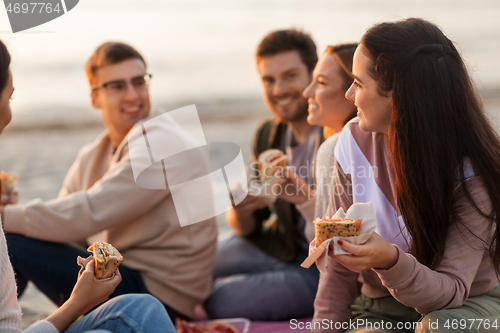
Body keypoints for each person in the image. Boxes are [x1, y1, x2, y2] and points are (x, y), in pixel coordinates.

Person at [0, 41, 218, 321]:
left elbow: (88, 212)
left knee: (12, 241)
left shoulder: (162, 140)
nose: (133, 95)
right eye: (117, 86)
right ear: (94, 98)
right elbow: (66, 222)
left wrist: (6, 217)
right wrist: (13, 215)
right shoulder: (95, 153)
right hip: (116, 275)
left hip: (157, 294)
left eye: (139, 82)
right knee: (18, 238)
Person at [312, 18, 500, 333]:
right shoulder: (351, 145)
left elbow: (449, 292)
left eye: (358, 83)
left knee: (435, 328)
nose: (348, 95)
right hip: (380, 308)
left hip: (467, 305)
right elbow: (338, 266)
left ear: (397, 95)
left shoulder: (473, 171)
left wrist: (389, 260)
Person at [205, 29, 323, 321]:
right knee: (192, 267)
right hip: (278, 245)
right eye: (269, 80)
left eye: (290, 75)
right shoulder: (269, 134)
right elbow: (248, 228)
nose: (279, 89)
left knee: (220, 301)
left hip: (318, 268)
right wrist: (239, 209)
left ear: (313, 74)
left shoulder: (334, 132)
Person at [276, 43, 358, 242]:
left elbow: (328, 243)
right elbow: (348, 229)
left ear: (353, 91)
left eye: (321, 83)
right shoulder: (368, 141)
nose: (307, 92)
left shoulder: (335, 148)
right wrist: (306, 199)